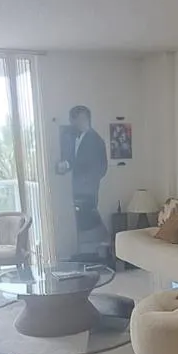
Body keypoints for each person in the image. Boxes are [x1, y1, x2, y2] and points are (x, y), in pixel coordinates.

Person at [59, 105, 108, 248]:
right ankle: (93, 249)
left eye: (76, 120)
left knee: (89, 218)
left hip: (87, 189)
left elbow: (101, 167)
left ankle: (104, 244)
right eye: (72, 120)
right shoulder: (75, 136)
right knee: (83, 220)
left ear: (85, 119)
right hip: (79, 187)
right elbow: (75, 160)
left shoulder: (95, 140)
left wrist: (88, 181)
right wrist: (67, 165)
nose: (73, 123)